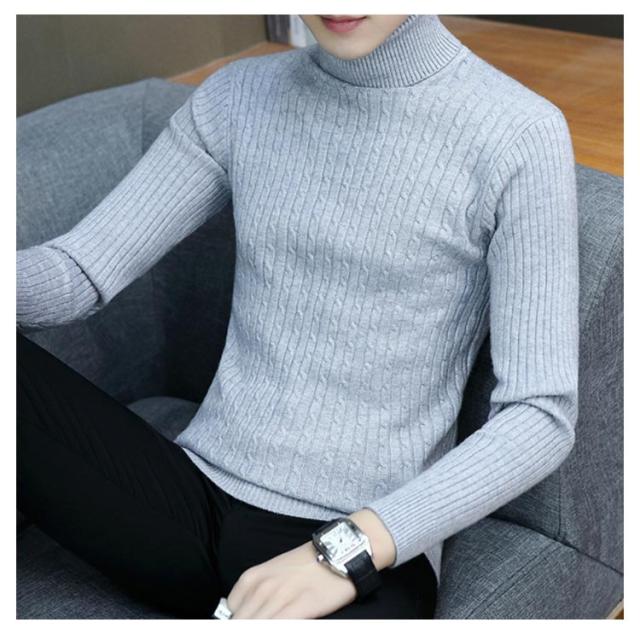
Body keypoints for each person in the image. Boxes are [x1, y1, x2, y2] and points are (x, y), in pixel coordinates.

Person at [16, 14, 579, 619]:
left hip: (367, 548)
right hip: (187, 500)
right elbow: (78, 273)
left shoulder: (519, 134)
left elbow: (539, 414)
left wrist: (346, 550)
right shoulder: (238, 97)